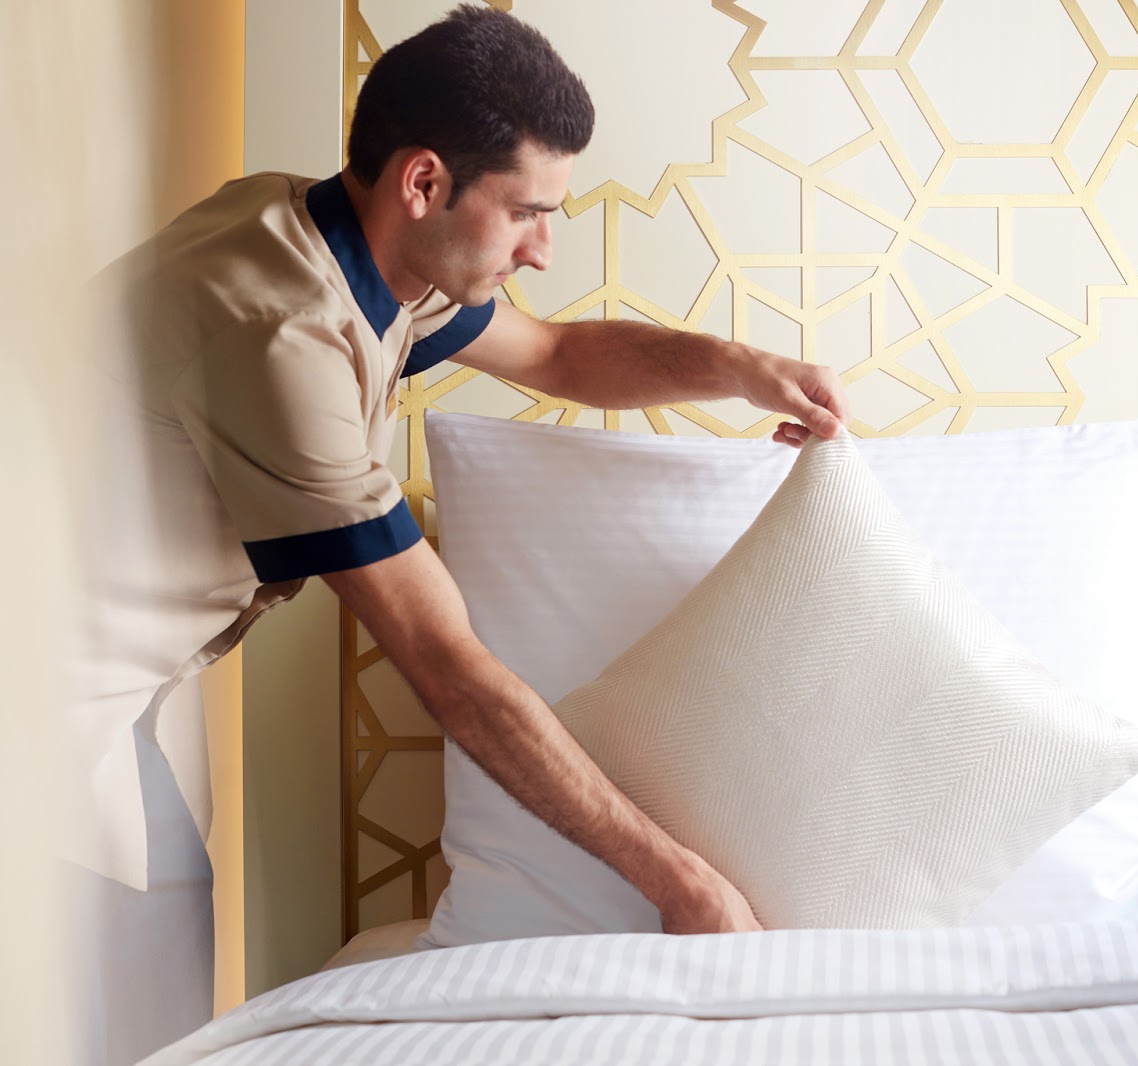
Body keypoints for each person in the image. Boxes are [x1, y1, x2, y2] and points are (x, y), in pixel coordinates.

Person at [66, 5, 848, 1062]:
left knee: (159, 998)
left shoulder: (356, 246)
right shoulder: (284, 335)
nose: (542, 250)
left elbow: (562, 355)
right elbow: (450, 667)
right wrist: (684, 882)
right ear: (424, 182)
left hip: (106, 696)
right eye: (526, 212)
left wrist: (737, 369)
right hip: (41, 696)